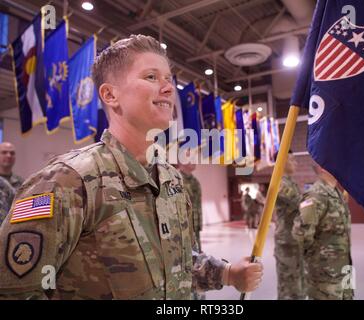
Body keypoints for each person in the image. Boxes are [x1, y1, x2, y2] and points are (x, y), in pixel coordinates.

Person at [0, 35, 263, 300]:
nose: (169, 88)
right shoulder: (66, 182)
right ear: (110, 94)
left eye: (168, 78)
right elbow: (14, 291)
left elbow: (176, 262)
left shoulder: (171, 179)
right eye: (151, 77)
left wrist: (229, 274)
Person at [292, 164, 353, 300]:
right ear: (323, 167)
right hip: (325, 276)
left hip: (344, 269)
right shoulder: (315, 196)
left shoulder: (337, 193)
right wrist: (317, 260)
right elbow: (301, 233)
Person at [273, 151, 305, 300]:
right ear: (283, 161)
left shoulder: (290, 182)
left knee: (297, 283)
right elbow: (300, 202)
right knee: (288, 286)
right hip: (286, 242)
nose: (296, 163)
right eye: (292, 160)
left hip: (293, 240)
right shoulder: (280, 183)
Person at [177, 162, 203, 253]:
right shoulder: (175, 179)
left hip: (194, 224)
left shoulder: (194, 181)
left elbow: (197, 204)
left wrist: (198, 223)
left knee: (197, 256)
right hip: (181, 227)